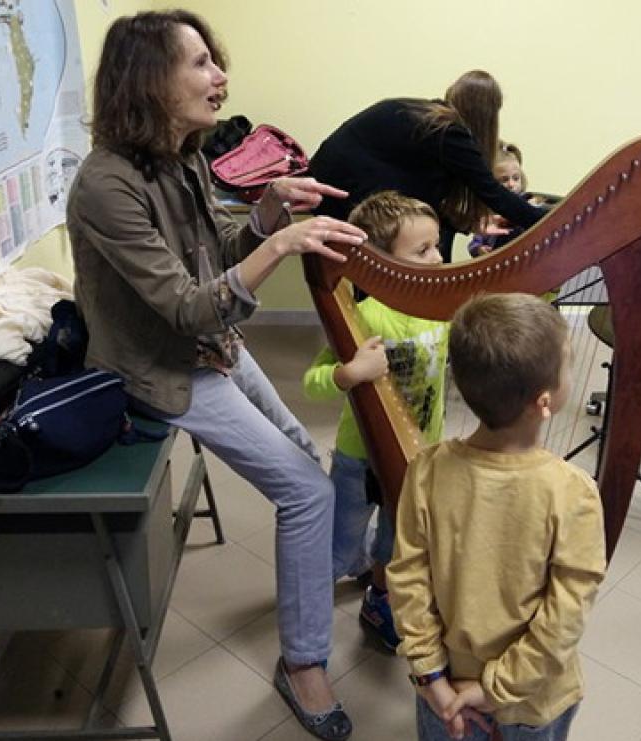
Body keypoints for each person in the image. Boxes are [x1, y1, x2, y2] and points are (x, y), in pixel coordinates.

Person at [65, 11, 368, 741]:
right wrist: (285, 242)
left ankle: (314, 576)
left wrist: (265, 213)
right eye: (199, 63)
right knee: (305, 487)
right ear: (148, 82)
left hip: (212, 348)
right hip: (155, 370)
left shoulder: (184, 160)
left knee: (303, 449)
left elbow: (218, 255)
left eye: (214, 60)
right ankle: (303, 661)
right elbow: (188, 308)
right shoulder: (106, 186)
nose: (219, 76)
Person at [387, 293, 606, 741]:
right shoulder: (573, 492)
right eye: (567, 366)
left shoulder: (426, 469)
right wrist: (498, 688)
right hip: (532, 700)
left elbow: (407, 579)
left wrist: (431, 676)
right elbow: (565, 614)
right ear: (544, 402)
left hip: (444, 689)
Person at [303, 191, 447, 652]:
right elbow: (313, 381)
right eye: (421, 250)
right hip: (358, 459)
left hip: (421, 452)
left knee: (396, 542)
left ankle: (379, 599)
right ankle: (310, 610)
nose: (438, 257)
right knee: (341, 545)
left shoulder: (444, 309)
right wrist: (348, 374)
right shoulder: (364, 317)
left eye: (438, 245)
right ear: (383, 263)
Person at [309, 71, 546, 262]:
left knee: (434, 218)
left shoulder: (430, 118)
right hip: (339, 185)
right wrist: (554, 219)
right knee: (395, 239)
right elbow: (493, 192)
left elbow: (441, 195)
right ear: (489, 113)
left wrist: (466, 222)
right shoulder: (449, 132)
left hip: (327, 179)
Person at [468, 141, 529, 257]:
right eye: (504, 180)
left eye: (516, 178)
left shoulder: (526, 205)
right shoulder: (487, 212)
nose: (511, 184)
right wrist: (479, 249)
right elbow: (475, 242)